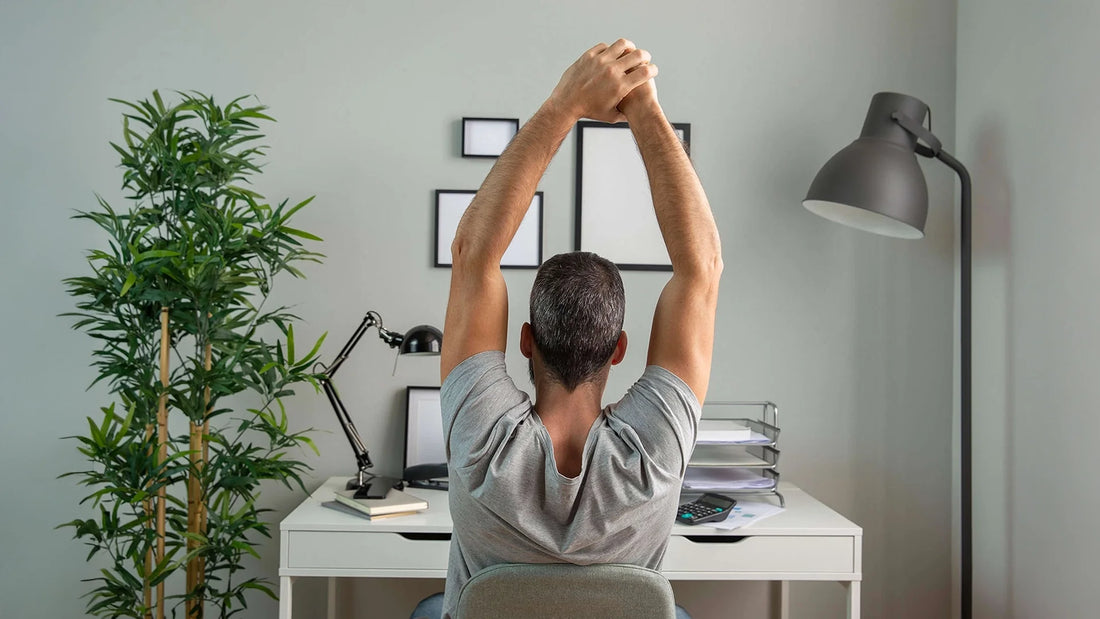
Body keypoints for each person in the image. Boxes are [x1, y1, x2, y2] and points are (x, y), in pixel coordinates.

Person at [412, 38, 722, 619]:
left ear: (525, 339)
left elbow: (473, 253)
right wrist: (645, 107)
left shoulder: (479, 439)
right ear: (621, 349)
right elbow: (701, 268)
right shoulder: (654, 455)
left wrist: (564, 104)